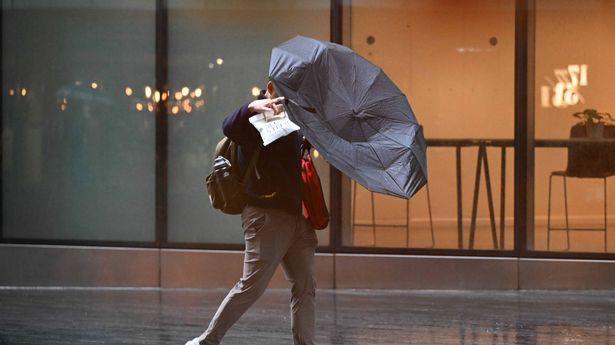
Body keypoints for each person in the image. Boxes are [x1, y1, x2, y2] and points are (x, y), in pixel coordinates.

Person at [185, 81, 318, 345]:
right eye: (288, 91)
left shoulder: (292, 121)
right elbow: (229, 126)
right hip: (266, 216)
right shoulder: (256, 119)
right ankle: (206, 341)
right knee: (251, 286)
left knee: (305, 287)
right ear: (271, 87)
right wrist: (251, 107)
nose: (292, 97)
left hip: (295, 217)